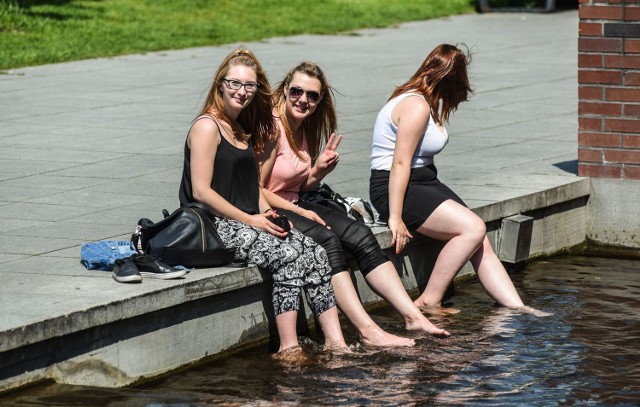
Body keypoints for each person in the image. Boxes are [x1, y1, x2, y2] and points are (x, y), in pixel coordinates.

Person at [255, 61, 449, 347]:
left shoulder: (303, 126)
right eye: (297, 91)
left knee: (361, 235)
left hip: (296, 202)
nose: (303, 100)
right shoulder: (273, 128)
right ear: (285, 89)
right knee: (329, 241)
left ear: (320, 100)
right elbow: (257, 188)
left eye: (312, 95)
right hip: (271, 210)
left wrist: (317, 173)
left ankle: (413, 316)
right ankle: (367, 330)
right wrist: (299, 210)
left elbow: (291, 184)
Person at [178, 48, 349, 355]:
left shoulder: (240, 128)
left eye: (249, 86)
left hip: (244, 219)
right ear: (220, 84)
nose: (242, 92)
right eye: (235, 84)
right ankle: (289, 347)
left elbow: (251, 186)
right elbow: (202, 192)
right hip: (215, 225)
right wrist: (252, 220)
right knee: (288, 256)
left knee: (315, 251)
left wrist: (269, 214)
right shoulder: (207, 127)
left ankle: (336, 343)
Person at [369, 43, 526, 311]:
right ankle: (429, 300)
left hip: (423, 181)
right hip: (395, 185)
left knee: (479, 238)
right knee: (473, 228)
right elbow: (400, 162)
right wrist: (395, 217)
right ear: (452, 81)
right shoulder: (416, 105)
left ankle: (519, 309)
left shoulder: (424, 101)